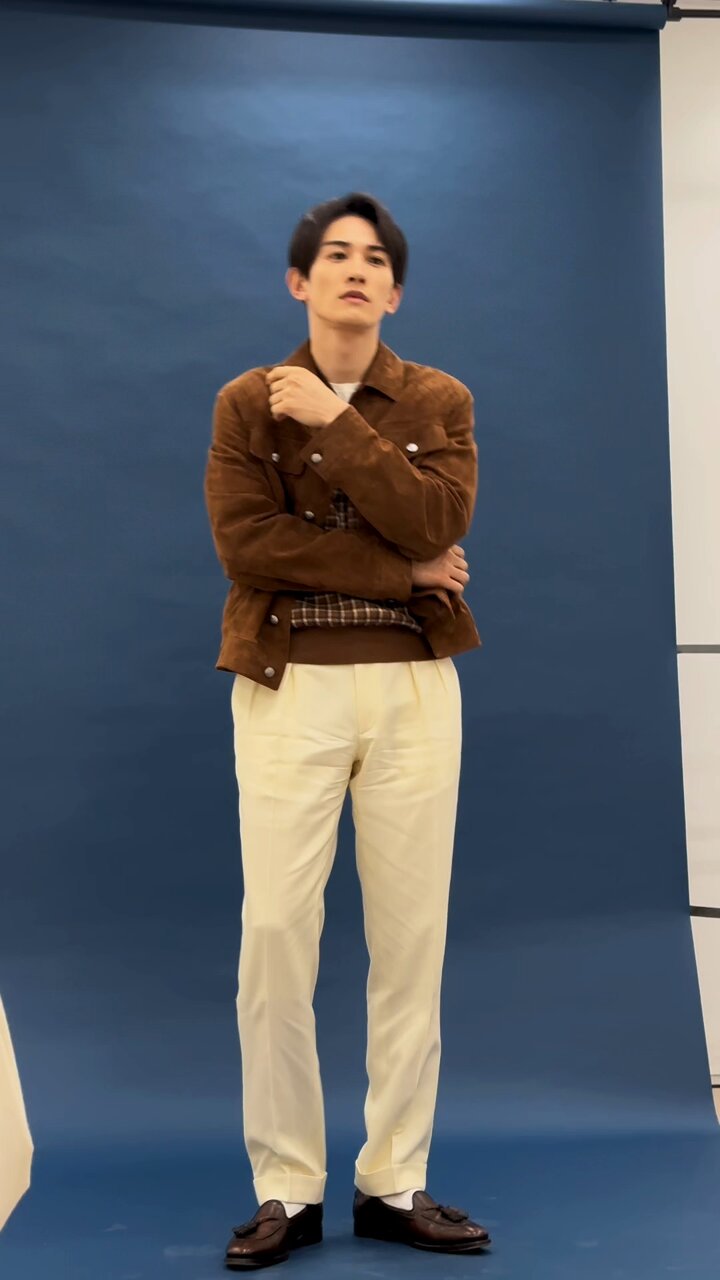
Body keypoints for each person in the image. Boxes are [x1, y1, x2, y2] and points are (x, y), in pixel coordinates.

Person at [204, 191, 491, 1269]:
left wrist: (336, 424)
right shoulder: (246, 402)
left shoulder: (438, 397)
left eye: (376, 259)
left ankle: (392, 1180)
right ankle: (287, 1184)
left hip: (415, 690)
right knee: (277, 934)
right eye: (335, 255)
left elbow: (438, 521)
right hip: (290, 689)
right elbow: (249, 547)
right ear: (300, 281)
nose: (357, 269)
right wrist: (403, 574)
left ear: (395, 293)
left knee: (412, 942)